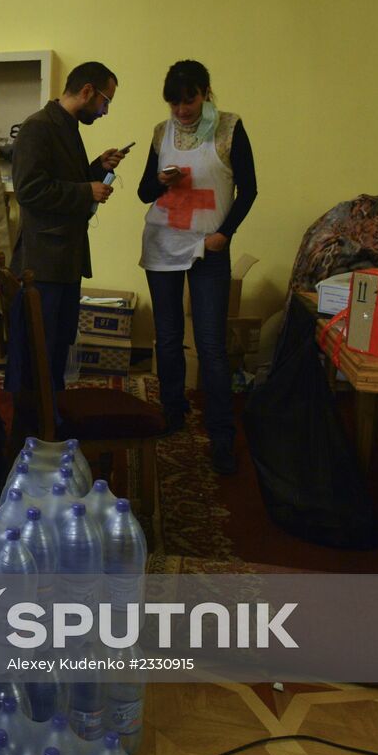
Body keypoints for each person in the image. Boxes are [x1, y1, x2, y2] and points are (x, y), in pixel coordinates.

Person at [137, 60, 258, 474]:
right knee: (168, 340)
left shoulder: (229, 127)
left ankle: (221, 434)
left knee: (211, 345)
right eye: (173, 102)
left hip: (210, 247)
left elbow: (249, 188)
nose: (181, 109)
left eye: (188, 100)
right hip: (163, 244)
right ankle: (173, 415)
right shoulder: (161, 131)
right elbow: (143, 192)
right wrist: (162, 181)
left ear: (205, 92)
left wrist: (225, 233)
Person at [6, 61, 130, 397]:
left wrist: (95, 169)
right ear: (87, 91)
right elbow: (30, 190)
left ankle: (53, 420)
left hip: (65, 259)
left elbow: (60, 181)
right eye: (105, 101)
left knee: (57, 351)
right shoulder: (38, 127)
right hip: (43, 263)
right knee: (38, 357)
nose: (105, 111)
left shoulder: (66, 126)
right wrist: (86, 190)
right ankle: (34, 429)